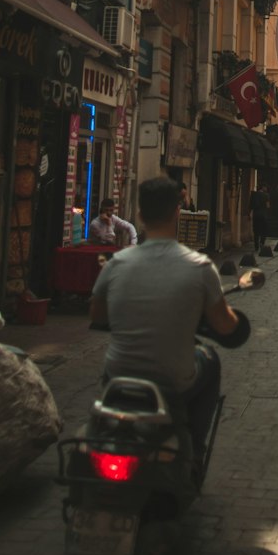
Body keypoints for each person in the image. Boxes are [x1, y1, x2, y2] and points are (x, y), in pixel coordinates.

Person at [89, 177, 246, 474]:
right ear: (178, 212)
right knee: (210, 361)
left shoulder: (116, 264)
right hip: (173, 377)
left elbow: (97, 315)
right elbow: (224, 326)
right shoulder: (198, 267)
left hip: (119, 372)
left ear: (139, 215)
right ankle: (195, 449)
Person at [249, 181, 270, 251]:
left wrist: (249, 214)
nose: (266, 189)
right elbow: (268, 206)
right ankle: (262, 242)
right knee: (264, 230)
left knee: (256, 231)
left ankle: (256, 246)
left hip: (256, 215)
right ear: (263, 187)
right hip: (263, 215)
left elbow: (251, 206)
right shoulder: (266, 195)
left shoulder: (254, 195)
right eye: (266, 187)